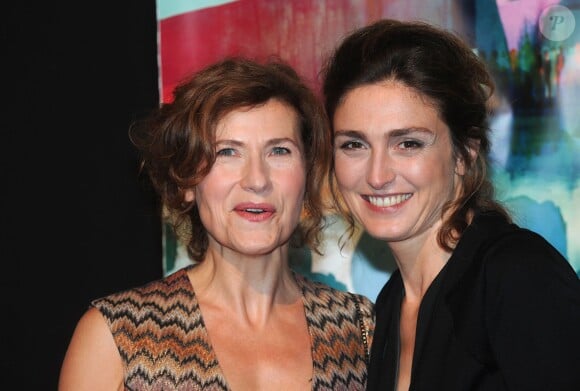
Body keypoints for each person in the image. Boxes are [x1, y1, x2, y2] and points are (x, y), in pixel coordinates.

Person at [59, 57, 374, 391]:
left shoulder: (360, 329)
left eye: (279, 151)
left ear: (308, 175)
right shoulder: (117, 335)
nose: (257, 180)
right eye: (227, 152)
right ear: (186, 181)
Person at [321, 19, 580, 391]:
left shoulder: (516, 275)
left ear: (464, 153)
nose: (377, 175)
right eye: (354, 145)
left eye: (407, 143)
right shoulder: (390, 304)